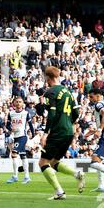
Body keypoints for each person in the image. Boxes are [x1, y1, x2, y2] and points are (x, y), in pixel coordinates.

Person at [37, 66, 85, 200]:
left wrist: (45, 133)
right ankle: (77, 174)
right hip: (69, 131)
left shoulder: (50, 92)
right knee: (54, 162)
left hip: (57, 131)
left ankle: (59, 192)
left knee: (43, 163)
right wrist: (70, 123)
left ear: (47, 77)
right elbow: (76, 112)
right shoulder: (68, 92)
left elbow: (51, 114)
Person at [6, 96, 34, 184]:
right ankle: (27, 177)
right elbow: (7, 125)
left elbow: (31, 125)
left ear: (23, 103)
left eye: (20, 102)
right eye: (17, 102)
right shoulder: (11, 113)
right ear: (14, 103)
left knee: (14, 154)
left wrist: (32, 135)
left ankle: (15, 176)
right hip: (15, 137)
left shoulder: (26, 113)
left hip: (23, 137)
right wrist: (11, 129)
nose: (18, 103)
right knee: (23, 156)